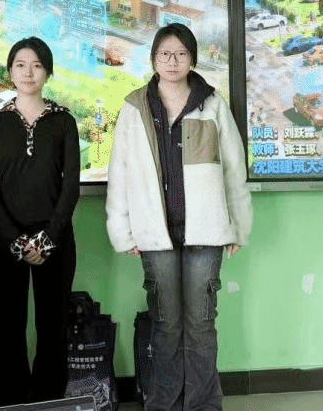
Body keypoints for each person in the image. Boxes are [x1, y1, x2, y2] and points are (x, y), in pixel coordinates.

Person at [105, 23, 251, 411]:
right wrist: (122, 230)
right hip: (155, 232)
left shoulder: (212, 104)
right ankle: (164, 404)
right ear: (154, 58)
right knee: (166, 325)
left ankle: (203, 405)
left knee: (201, 324)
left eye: (181, 54)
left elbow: (234, 168)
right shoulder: (135, 107)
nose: (173, 61)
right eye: (165, 54)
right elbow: (120, 171)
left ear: (193, 59)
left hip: (206, 231)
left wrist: (238, 225)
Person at [0, 37, 80, 406]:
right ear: (10, 71)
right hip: (5, 240)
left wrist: (47, 239)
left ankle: (49, 400)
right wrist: (17, 241)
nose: (28, 72)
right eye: (20, 64)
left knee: (53, 328)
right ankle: (11, 400)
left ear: (47, 72)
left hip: (55, 239)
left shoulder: (64, 121)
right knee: (7, 328)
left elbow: (71, 186)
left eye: (37, 65)